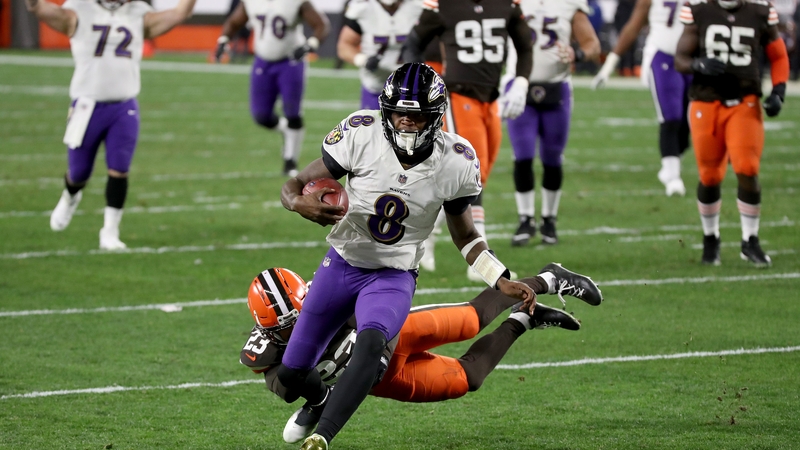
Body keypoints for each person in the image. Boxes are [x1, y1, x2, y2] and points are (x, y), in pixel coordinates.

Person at [278, 62, 535, 450]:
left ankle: (322, 436)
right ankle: (320, 399)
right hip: (342, 263)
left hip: (392, 274)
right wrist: (300, 204)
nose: (405, 123)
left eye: (416, 117)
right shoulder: (361, 133)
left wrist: (498, 277)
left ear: (435, 116)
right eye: (399, 113)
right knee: (292, 373)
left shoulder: (457, 161)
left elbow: (465, 236)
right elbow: (294, 183)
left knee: (370, 344)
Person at [239, 264, 603, 444]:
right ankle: (525, 319)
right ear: (267, 327)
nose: (299, 326)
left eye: (301, 316)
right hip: (379, 379)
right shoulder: (266, 351)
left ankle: (548, 279)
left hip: (393, 334)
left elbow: (371, 311)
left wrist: (369, 349)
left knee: (471, 320)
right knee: (468, 378)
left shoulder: (328, 293)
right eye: (287, 325)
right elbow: (285, 383)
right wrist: (317, 395)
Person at [28, 0, 197, 250]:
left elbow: (180, 12)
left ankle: (110, 231)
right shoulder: (79, 9)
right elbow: (38, 8)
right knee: (79, 173)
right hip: (86, 105)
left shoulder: (138, 13)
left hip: (123, 106)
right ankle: (70, 196)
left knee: (119, 169)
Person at [401, 0, 534, 280]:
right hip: (458, 94)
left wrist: (522, 80)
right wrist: (423, 81)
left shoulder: (506, 5)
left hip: (491, 97)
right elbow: (413, 42)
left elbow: (524, 44)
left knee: (478, 175)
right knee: (472, 170)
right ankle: (481, 261)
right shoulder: (443, 6)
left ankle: (428, 234)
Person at [674, 0, 789, 267]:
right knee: (710, 175)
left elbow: (779, 55)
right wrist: (698, 65)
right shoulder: (699, 7)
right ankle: (710, 238)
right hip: (706, 102)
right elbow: (680, 58)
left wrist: (779, 90)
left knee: (747, 167)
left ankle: (750, 241)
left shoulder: (760, 10)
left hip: (744, 101)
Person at [504, 0, 601, 247]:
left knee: (552, 158)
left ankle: (549, 219)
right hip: (518, 86)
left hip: (557, 86)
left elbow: (592, 45)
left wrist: (576, 53)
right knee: (522, 155)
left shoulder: (569, 4)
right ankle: (525, 219)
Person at [213, 0, 330, 177]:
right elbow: (234, 22)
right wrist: (223, 40)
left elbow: (321, 25)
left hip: (290, 61)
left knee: (292, 111)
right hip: (262, 61)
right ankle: (286, 131)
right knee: (261, 115)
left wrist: (310, 45)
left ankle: (290, 160)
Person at [591, 0, 693, 197]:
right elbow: (634, 26)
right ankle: (672, 175)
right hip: (663, 55)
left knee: (689, 121)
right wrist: (609, 65)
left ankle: (672, 159)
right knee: (671, 115)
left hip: (691, 58)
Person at [336, 0, 423, 110]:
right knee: (373, 126)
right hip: (375, 84)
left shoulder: (418, 6)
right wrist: (362, 60)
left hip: (413, 85)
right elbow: (344, 45)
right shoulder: (363, 8)